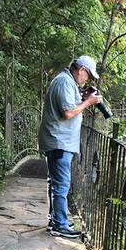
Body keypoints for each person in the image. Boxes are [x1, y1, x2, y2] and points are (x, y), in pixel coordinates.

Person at [38, 55, 102, 238]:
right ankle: (60, 225)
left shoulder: (66, 82)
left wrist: (83, 96)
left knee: (57, 184)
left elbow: (69, 103)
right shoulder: (65, 82)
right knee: (61, 185)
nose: (87, 79)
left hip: (60, 141)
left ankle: (57, 220)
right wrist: (89, 102)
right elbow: (67, 112)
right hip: (59, 142)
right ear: (81, 70)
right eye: (88, 75)